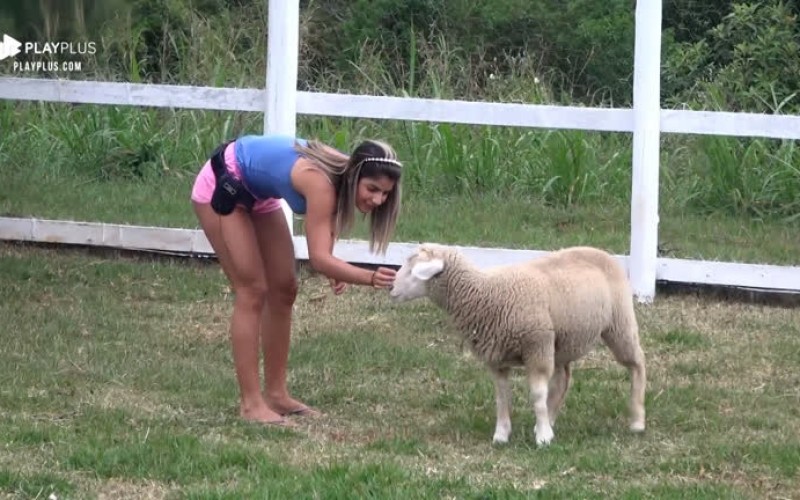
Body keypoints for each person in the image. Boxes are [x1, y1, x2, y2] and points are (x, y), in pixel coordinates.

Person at [190, 134, 402, 426]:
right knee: (252, 289)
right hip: (223, 183)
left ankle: (276, 395)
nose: (378, 199)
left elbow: (325, 232)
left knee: (285, 288)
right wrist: (370, 277)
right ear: (356, 175)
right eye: (373, 189)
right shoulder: (321, 182)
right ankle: (251, 405)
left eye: (386, 193)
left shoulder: (344, 173)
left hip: (257, 194)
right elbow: (319, 258)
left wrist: (333, 266)